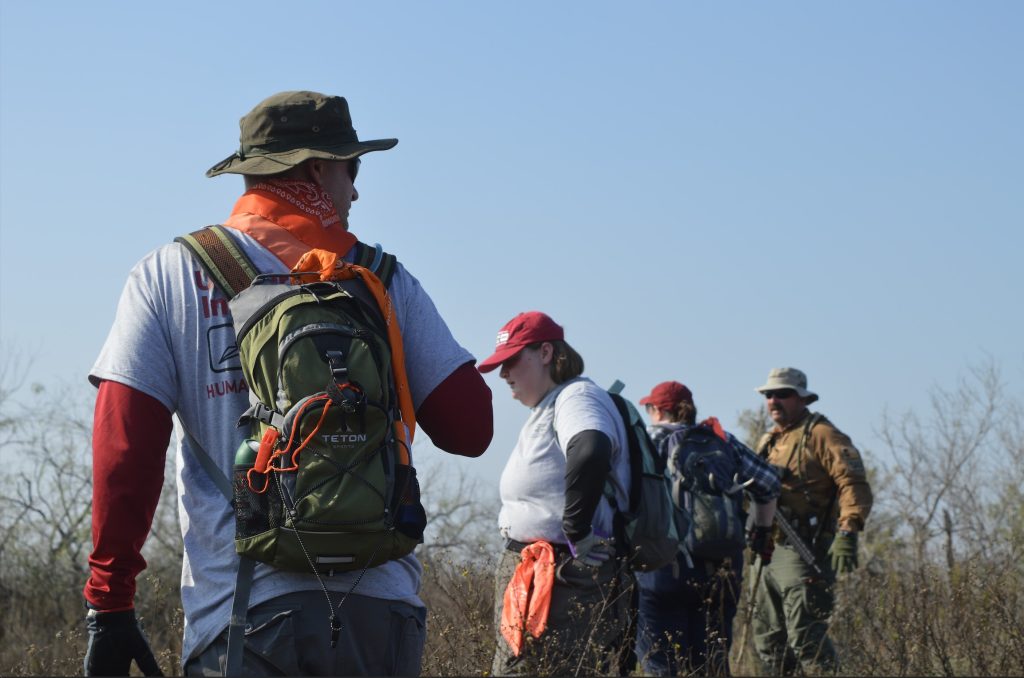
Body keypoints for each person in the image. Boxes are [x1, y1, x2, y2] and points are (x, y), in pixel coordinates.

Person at [82, 90, 493, 677]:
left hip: (246, 618)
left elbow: (124, 448)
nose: (356, 190)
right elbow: (472, 429)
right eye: (352, 168)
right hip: (382, 615)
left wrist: (110, 599)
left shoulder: (171, 272)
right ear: (319, 167)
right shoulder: (381, 278)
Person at [478, 311, 633, 676]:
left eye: (512, 360)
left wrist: (576, 531)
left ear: (546, 353)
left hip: (562, 577)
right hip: (544, 573)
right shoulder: (553, 403)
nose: (504, 374)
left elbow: (591, 447)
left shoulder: (576, 396)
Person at [633, 381, 780, 676]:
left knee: (662, 664)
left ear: (658, 411)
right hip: (721, 570)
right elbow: (769, 483)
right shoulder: (723, 441)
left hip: (662, 572)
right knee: (711, 664)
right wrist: (761, 531)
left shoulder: (648, 440)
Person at [751, 367, 873, 675]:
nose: (774, 400)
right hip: (767, 549)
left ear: (802, 398)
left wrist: (849, 529)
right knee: (769, 642)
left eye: (783, 394)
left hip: (803, 550)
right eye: (769, 395)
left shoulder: (821, 434)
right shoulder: (770, 440)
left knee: (806, 638)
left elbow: (853, 482)